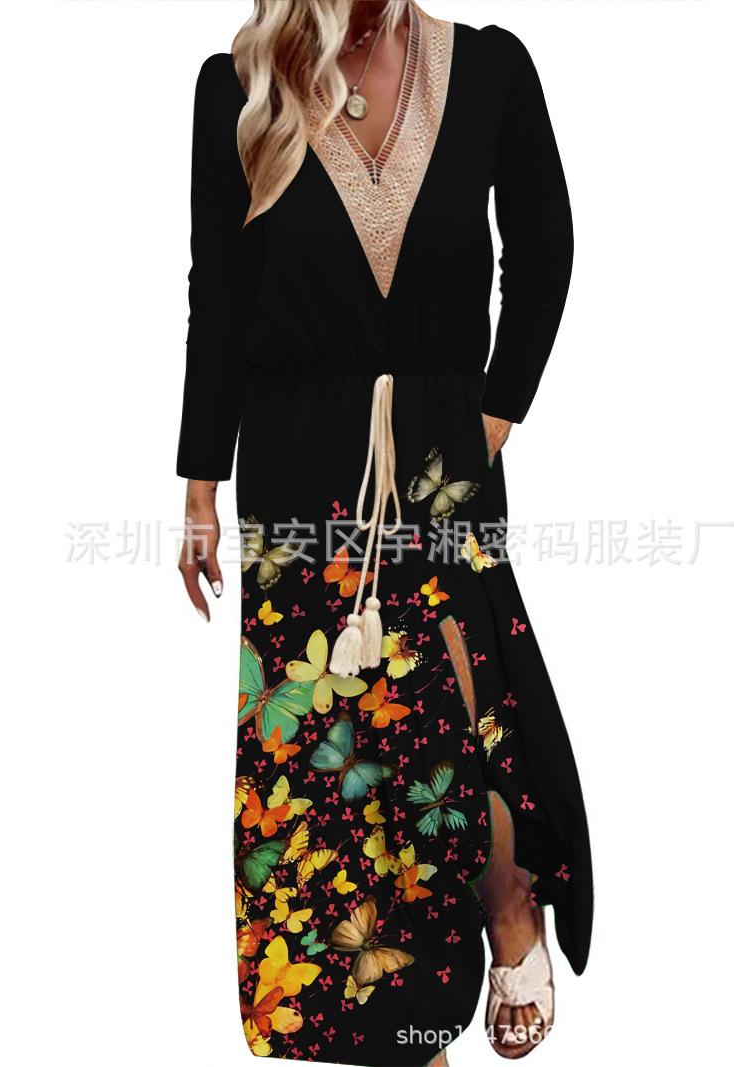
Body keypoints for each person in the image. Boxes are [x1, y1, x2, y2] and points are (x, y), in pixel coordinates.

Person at [176, 3, 592, 1064]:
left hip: (444, 451)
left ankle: (507, 896)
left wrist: (495, 413)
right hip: (296, 456)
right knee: (338, 759)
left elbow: (544, 244)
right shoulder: (240, 87)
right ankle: (403, 1030)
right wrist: (199, 485)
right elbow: (220, 297)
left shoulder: (488, 69)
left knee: (455, 713)